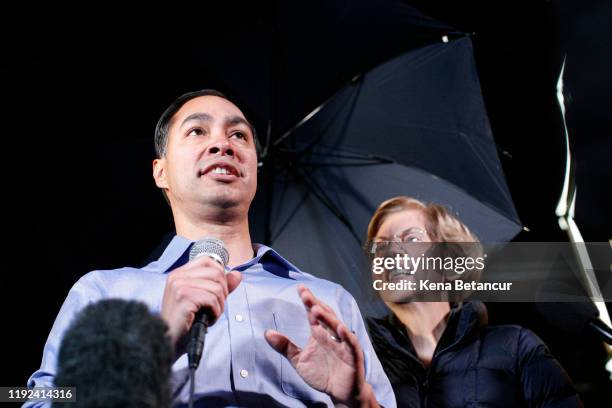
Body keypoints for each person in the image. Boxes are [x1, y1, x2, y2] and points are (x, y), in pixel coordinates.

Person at [26, 90, 395, 408]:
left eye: (239, 135)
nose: (223, 144)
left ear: (255, 168)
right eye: (197, 131)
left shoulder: (329, 301)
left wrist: (358, 400)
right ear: (161, 172)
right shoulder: (102, 292)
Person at [364, 196, 582, 407]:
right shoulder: (363, 372)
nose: (392, 253)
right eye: (380, 246)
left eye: (411, 239)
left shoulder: (515, 347)